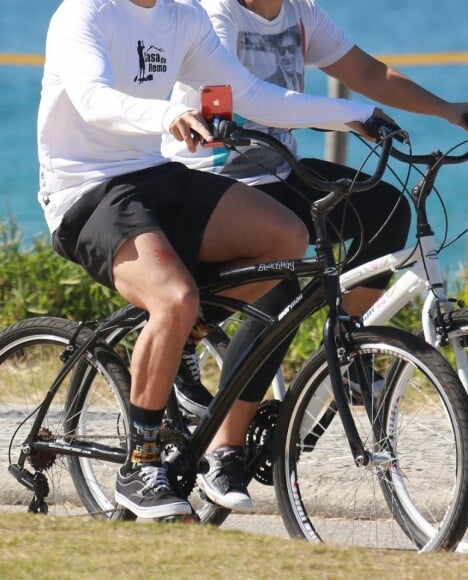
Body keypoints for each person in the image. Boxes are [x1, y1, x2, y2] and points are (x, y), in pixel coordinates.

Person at [38, 0, 396, 520]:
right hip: (86, 190)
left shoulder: (183, 17)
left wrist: (354, 115)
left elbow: (252, 95)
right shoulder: (85, 13)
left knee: (285, 237)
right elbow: (94, 101)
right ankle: (140, 465)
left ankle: (191, 332)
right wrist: (167, 113)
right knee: (174, 298)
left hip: (153, 172)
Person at [162, 0, 468, 513]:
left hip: (278, 174)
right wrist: (351, 115)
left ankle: (344, 352)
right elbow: (254, 99)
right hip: (212, 183)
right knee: (278, 290)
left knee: (388, 213)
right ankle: (223, 448)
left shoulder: (298, 11)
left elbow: (367, 71)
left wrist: (449, 110)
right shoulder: (216, 14)